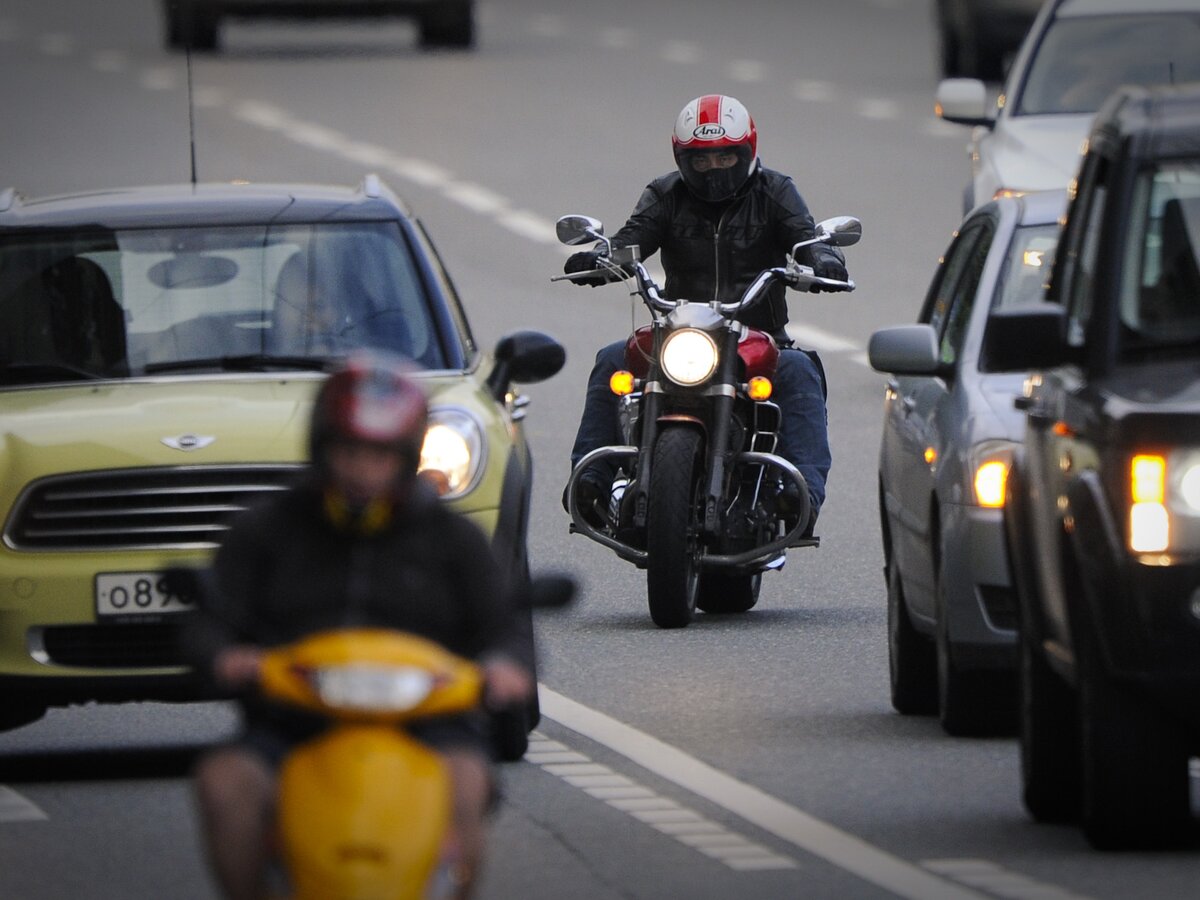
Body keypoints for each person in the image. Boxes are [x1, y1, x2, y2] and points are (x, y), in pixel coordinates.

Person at [188, 350, 532, 900]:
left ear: (406, 455)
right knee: (226, 783)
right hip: (295, 725)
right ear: (323, 449)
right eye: (350, 452)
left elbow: (504, 625)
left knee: (467, 783)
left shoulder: (452, 540)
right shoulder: (268, 529)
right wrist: (224, 656)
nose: (362, 469)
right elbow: (212, 619)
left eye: (379, 456)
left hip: (427, 726)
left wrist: (505, 667)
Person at [562, 94, 851, 534]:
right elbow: (632, 240)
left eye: (726, 156)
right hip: (680, 327)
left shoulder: (775, 191)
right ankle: (590, 481)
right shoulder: (665, 194)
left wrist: (822, 257)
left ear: (747, 151)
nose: (714, 169)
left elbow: (804, 237)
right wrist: (600, 259)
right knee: (611, 359)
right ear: (683, 160)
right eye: (702, 161)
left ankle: (801, 495)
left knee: (799, 372)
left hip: (758, 333)